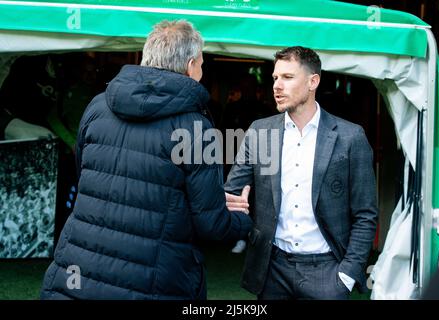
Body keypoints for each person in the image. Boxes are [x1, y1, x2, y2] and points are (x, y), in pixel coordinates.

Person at [40, 20, 252, 300]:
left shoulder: (97, 105)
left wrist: (208, 199)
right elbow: (211, 226)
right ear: (190, 66)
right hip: (153, 283)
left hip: (77, 274)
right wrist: (243, 220)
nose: (201, 71)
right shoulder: (197, 127)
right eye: (201, 64)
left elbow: (90, 178)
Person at [224, 46, 378, 300]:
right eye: (275, 78)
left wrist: (347, 275)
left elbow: (366, 214)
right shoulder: (259, 132)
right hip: (272, 270)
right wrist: (232, 203)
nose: (277, 85)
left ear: (313, 81)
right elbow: (231, 193)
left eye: (287, 77)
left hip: (327, 272)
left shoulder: (351, 137)